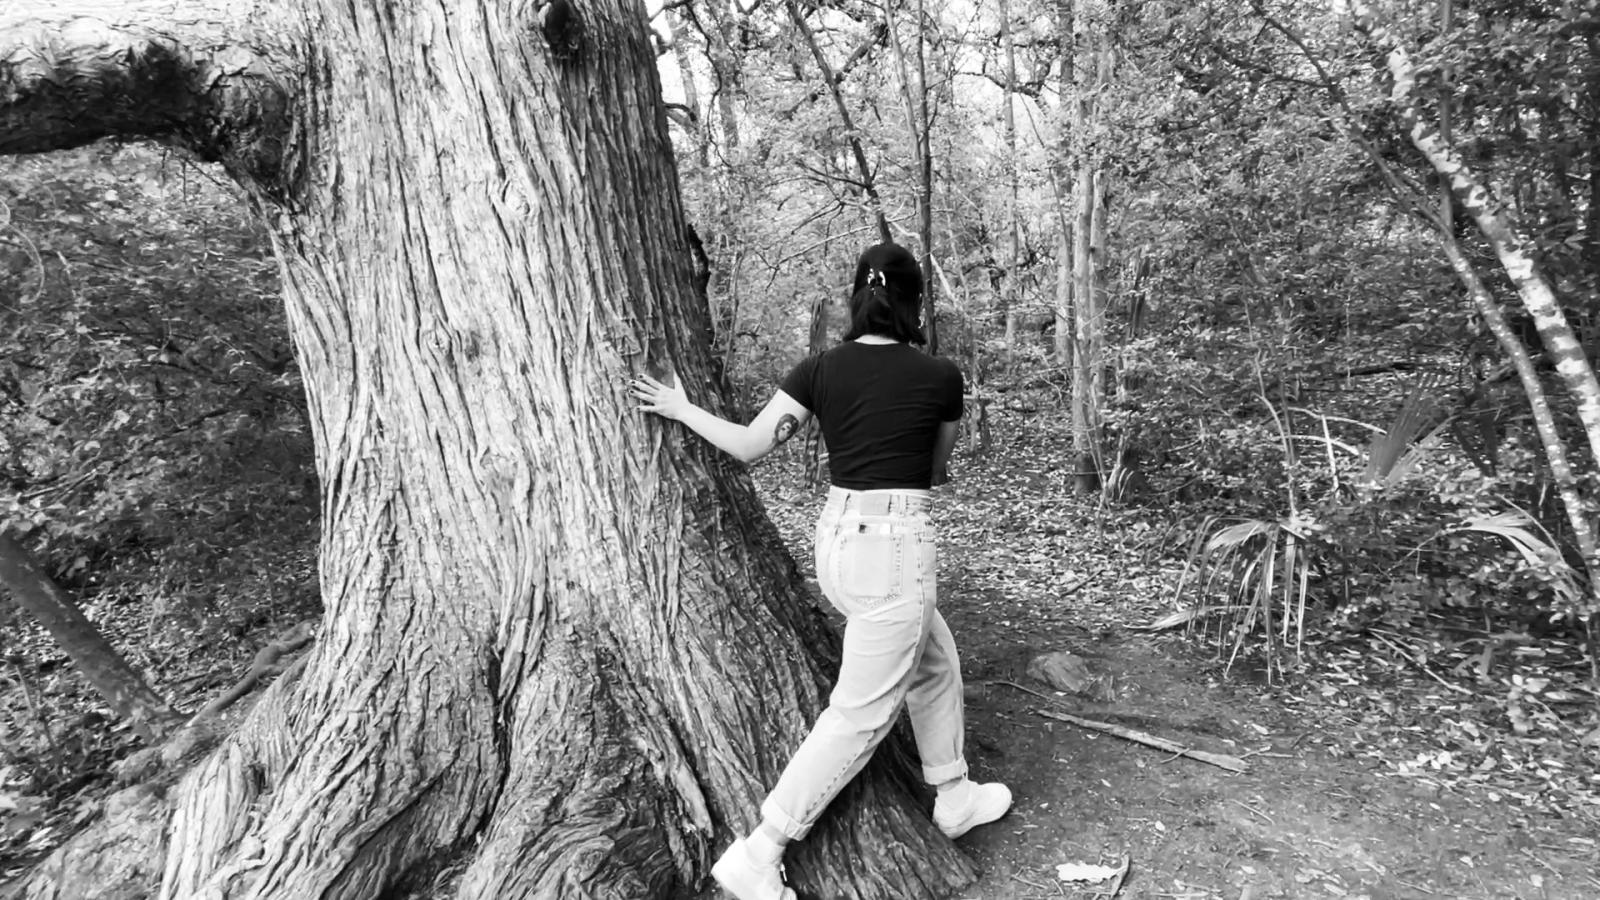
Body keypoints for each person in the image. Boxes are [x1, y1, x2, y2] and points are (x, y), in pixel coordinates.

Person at [631, 242, 1011, 900]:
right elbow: (934, 470)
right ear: (915, 302)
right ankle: (762, 847)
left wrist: (681, 407)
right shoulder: (940, 377)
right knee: (859, 715)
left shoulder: (819, 371)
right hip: (894, 547)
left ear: (857, 298)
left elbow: (751, 445)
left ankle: (952, 793)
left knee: (934, 656)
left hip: (837, 546)